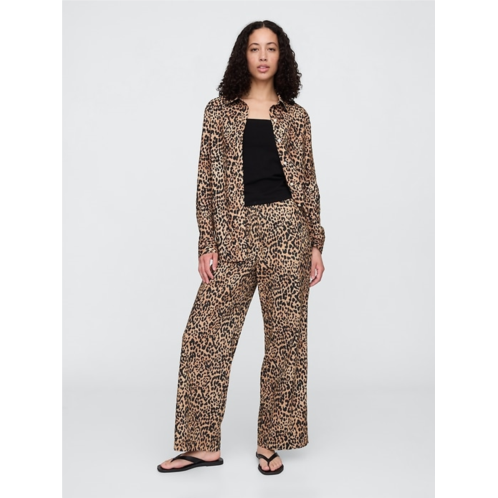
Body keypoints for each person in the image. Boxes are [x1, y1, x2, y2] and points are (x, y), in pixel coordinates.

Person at [157, 20, 326, 476]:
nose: (263, 56)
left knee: (286, 341)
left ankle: (271, 441)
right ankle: (200, 445)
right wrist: (206, 241)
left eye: (271, 48)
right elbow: (205, 181)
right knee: (204, 336)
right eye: (255, 48)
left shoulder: (296, 117)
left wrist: (315, 242)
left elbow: (308, 182)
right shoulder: (219, 112)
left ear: (281, 56)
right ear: (243, 55)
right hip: (233, 234)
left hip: (288, 232)